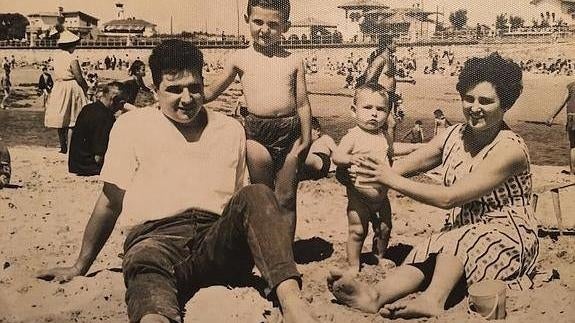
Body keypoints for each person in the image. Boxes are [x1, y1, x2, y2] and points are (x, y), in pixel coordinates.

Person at [37, 39, 317, 323]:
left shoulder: (230, 129)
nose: (187, 98)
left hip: (215, 241)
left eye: (194, 88)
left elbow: (246, 209)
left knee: (257, 193)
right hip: (156, 239)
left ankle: (294, 307)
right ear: (154, 88)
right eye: (174, 89)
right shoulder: (131, 127)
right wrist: (79, 265)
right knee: (144, 268)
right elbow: (110, 203)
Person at [328, 53, 539, 319]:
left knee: (456, 241)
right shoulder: (453, 135)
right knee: (428, 249)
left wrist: (389, 179)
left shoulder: (510, 150)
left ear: (505, 105)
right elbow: (396, 170)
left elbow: (448, 198)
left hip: (506, 234)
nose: (474, 107)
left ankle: (431, 300)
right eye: (469, 98)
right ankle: (374, 295)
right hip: (460, 228)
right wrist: (357, 177)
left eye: (486, 101)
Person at [204, 0, 312, 229]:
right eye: (258, 22)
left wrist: (307, 138)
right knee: (262, 197)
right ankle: (265, 248)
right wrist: (187, 94)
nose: (264, 29)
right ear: (247, 20)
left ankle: (285, 256)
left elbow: (302, 103)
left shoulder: (293, 60)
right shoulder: (240, 58)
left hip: (290, 131)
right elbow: (212, 91)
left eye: (273, 24)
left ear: (286, 26)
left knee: (286, 197)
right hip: (256, 132)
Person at [332, 83, 394, 273]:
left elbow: (391, 153)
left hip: (382, 197)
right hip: (359, 196)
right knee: (357, 231)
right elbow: (337, 156)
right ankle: (353, 265)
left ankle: (378, 257)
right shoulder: (353, 136)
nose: (374, 114)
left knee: (384, 229)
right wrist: (350, 159)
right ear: (354, 110)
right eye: (367, 108)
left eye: (380, 109)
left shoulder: (384, 135)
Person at [68, 82, 127, 176]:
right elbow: (98, 157)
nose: (122, 107)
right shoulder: (105, 117)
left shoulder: (88, 108)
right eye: (122, 102)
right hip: (89, 166)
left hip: (77, 163)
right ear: (114, 99)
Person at [44, 30, 88, 154]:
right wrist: (85, 87)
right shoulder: (72, 58)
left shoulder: (56, 57)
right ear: (71, 45)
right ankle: (70, 149)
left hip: (59, 86)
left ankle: (63, 146)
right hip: (71, 86)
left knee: (61, 117)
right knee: (72, 119)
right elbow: (78, 76)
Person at [546, 80, 575, 174]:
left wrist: (552, 117)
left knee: (573, 146)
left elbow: (562, 103)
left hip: (572, 117)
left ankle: (572, 171)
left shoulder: (571, 86)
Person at [300, 116, 336, 181]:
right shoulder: (306, 145)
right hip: (311, 170)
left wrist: (334, 167)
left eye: (306, 131)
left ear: (317, 131)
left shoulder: (324, 139)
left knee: (300, 156)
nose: (303, 134)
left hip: (322, 163)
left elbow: (337, 152)